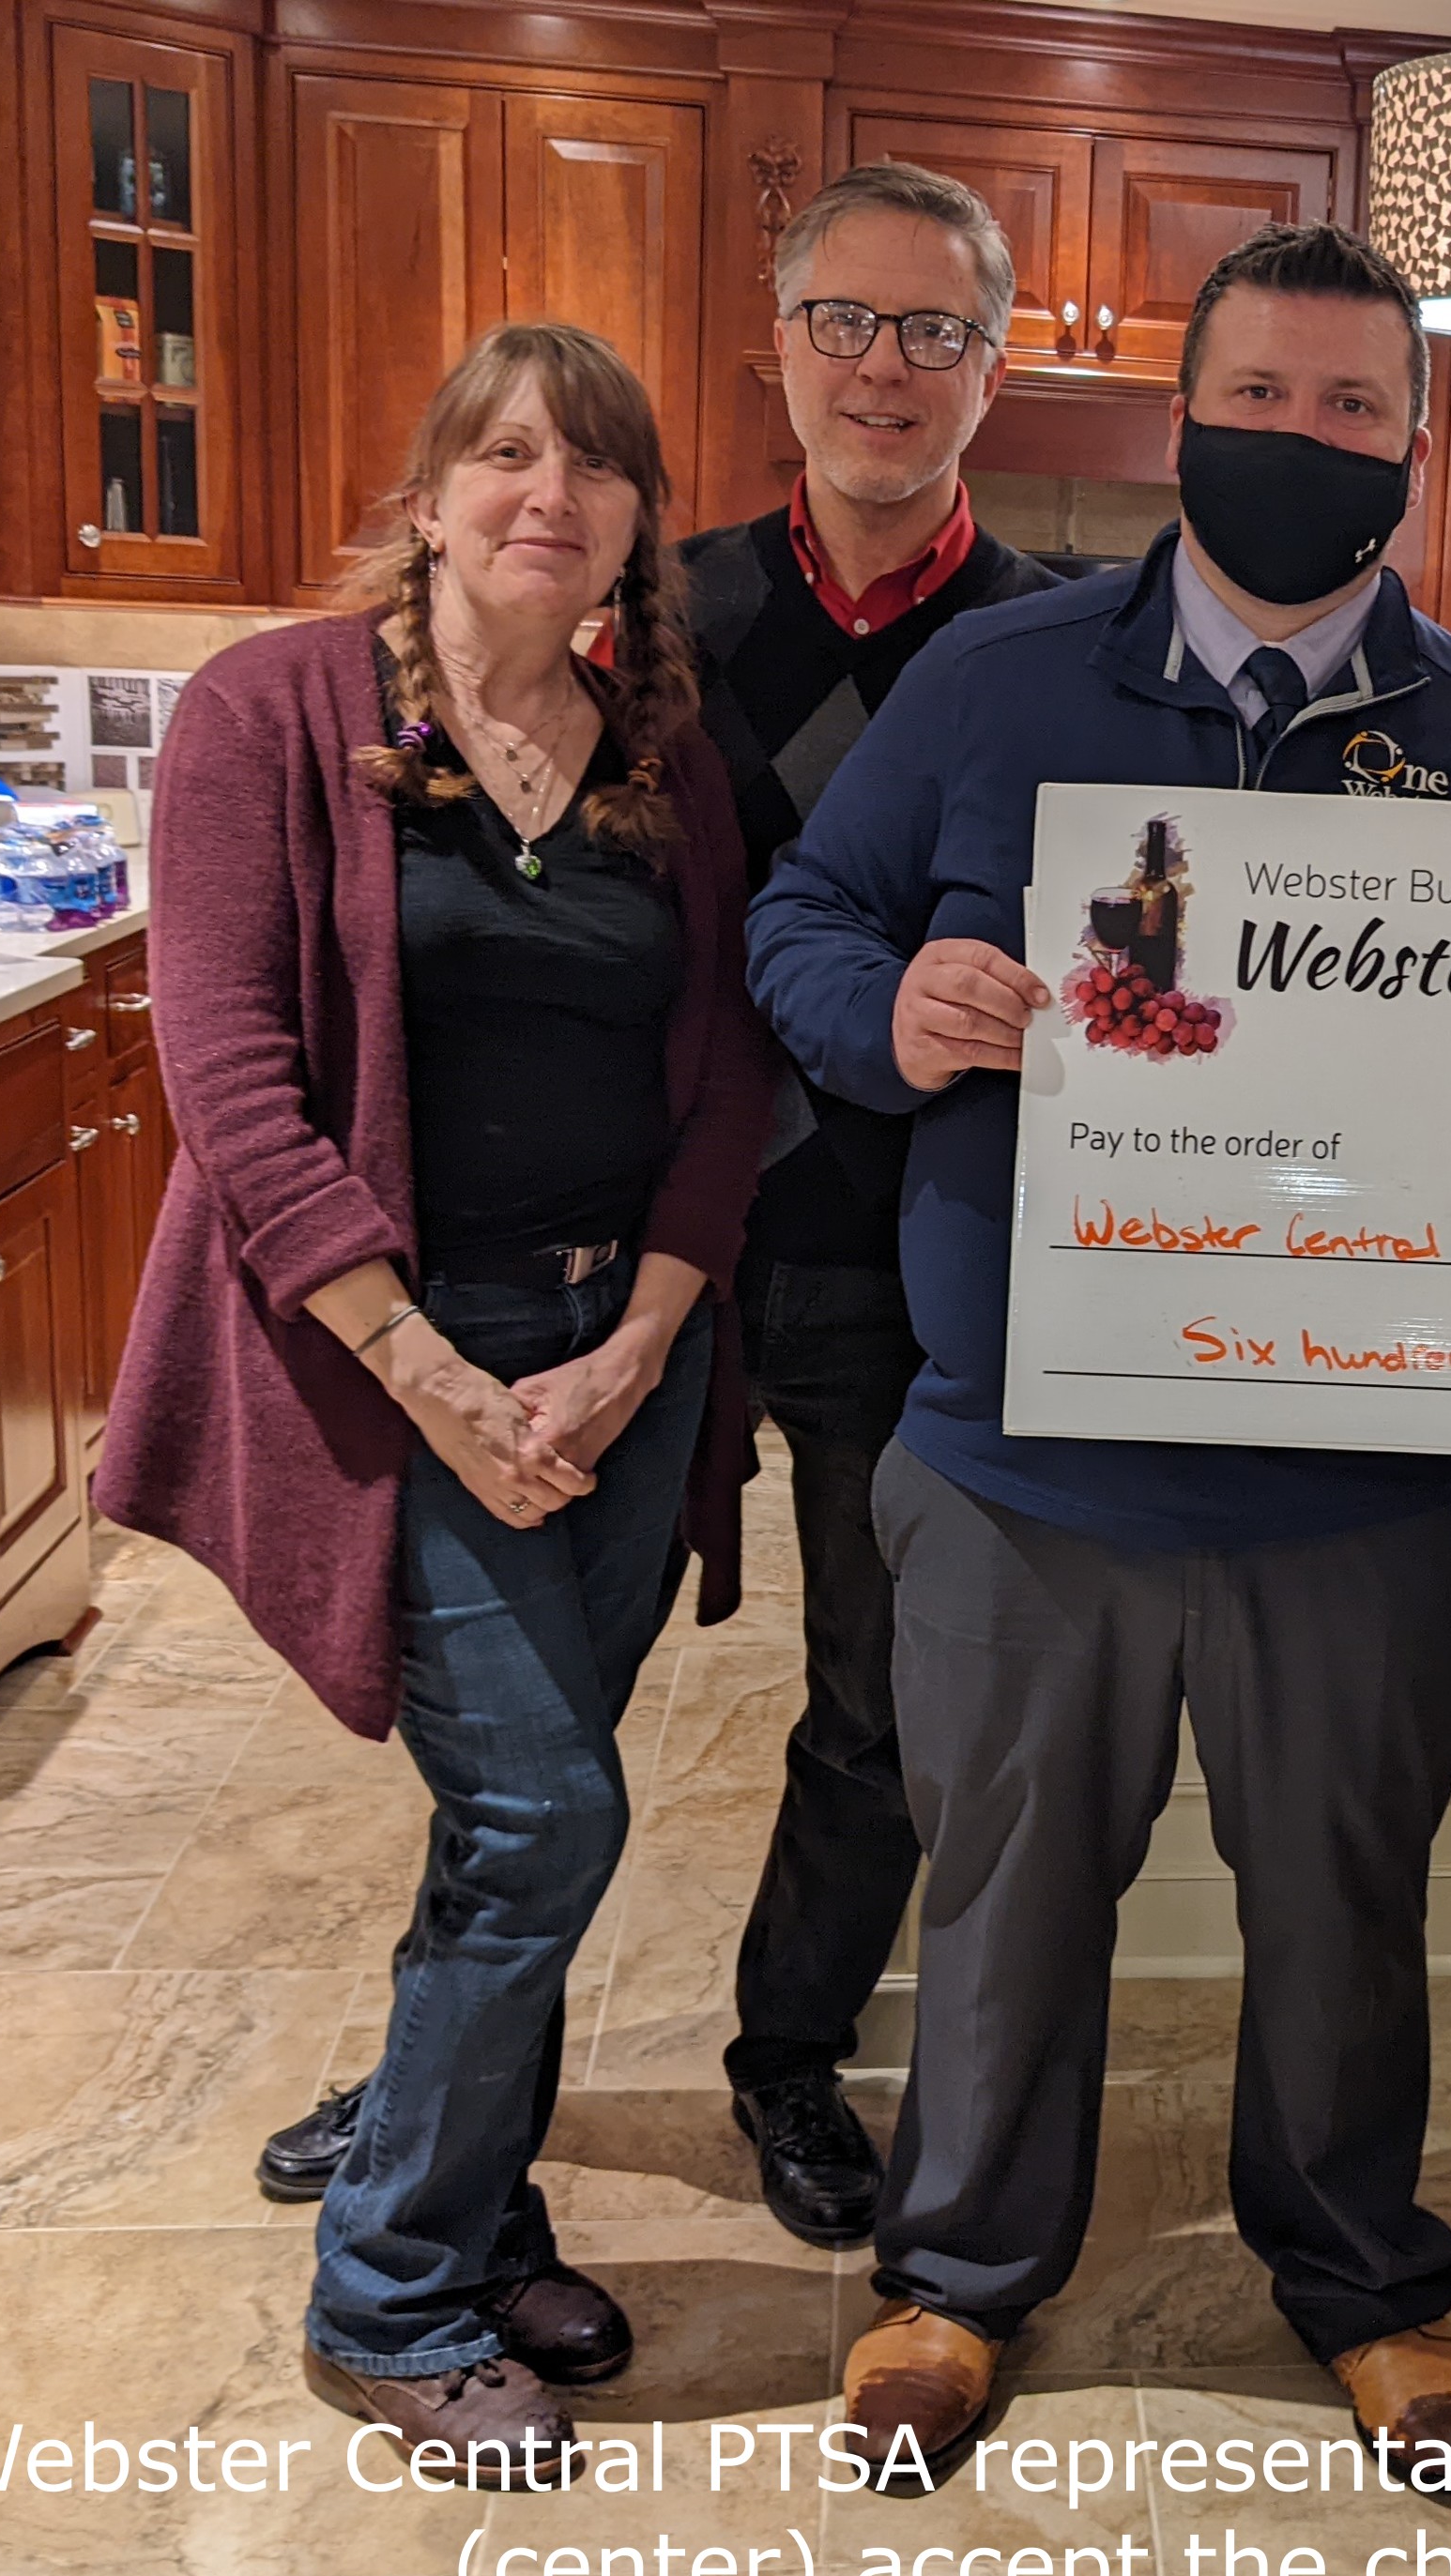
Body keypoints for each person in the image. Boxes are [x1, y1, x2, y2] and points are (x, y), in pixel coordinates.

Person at [747, 221, 1451, 2488]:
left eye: (1351, 406)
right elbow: (802, 918)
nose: (1300, 437)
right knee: (1006, 1904)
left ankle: (1363, 2279)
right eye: (1260, 396)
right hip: (1026, 1460)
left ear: (1413, 442)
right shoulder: (994, 683)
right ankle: (956, 2273)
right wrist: (894, 1010)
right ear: (1181, 416)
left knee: (1346, 1911)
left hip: (1366, 1488)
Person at [253, 162, 1058, 2248]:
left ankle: (789, 2048)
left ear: (994, 364)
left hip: (903, 1256)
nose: (885, 367)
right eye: (845, 321)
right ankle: (447, 2060)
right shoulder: (650, 605)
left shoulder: (1048, 641)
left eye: (937, 330)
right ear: (776, 347)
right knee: (540, 1720)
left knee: (876, 1699)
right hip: (636, 1255)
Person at [99, 322, 772, 2481]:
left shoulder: (666, 756)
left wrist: (643, 1341)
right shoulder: (274, 714)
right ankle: (390, 2286)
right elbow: (229, 1076)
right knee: (547, 1815)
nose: (548, 494)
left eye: (597, 465)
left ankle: (477, 2215)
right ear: (429, 493)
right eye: (505, 453)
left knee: (518, 1818)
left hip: (618, 1357)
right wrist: (434, 1373)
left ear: (640, 526)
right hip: (395, 1362)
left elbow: (729, 1075)